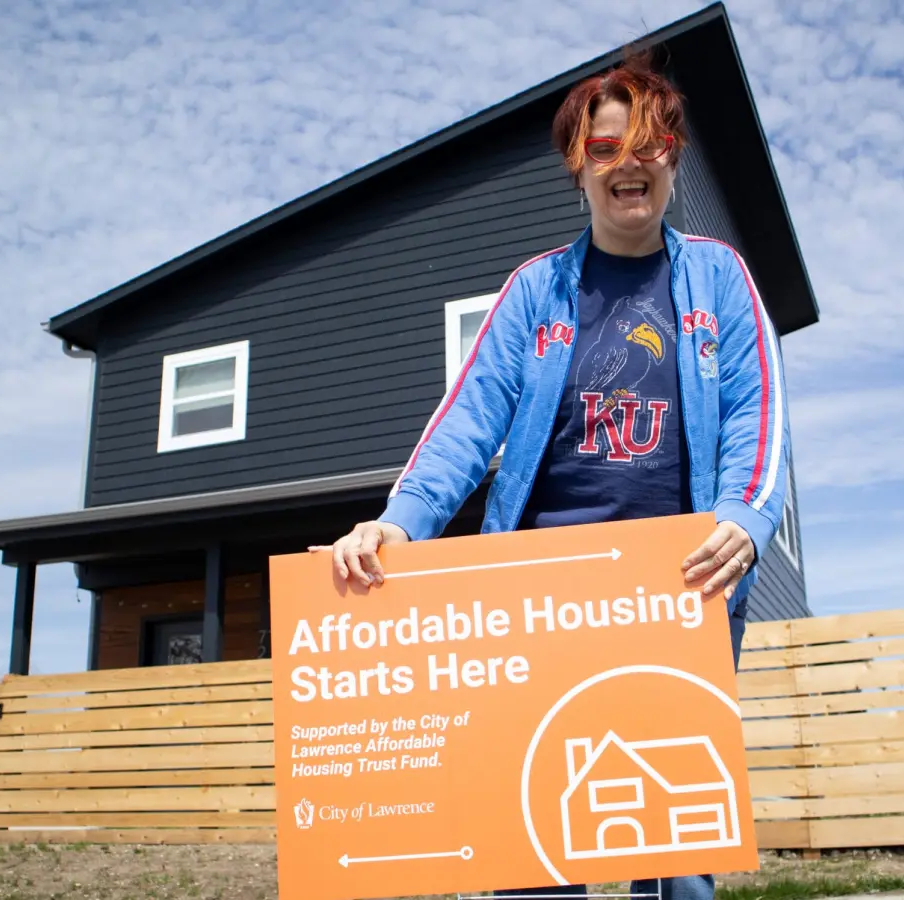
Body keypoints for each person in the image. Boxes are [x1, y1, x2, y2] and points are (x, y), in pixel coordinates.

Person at [314, 49, 789, 900]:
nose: (627, 164)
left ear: (671, 153)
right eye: (604, 150)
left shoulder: (719, 276)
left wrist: (745, 519)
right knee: (531, 828)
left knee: (673, 833)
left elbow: (759, 411)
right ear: (579, 167)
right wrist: (400, 519)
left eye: (644, 144)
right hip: (540, 595)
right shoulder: (535, 291)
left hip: (680, 585)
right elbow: (467, 419)